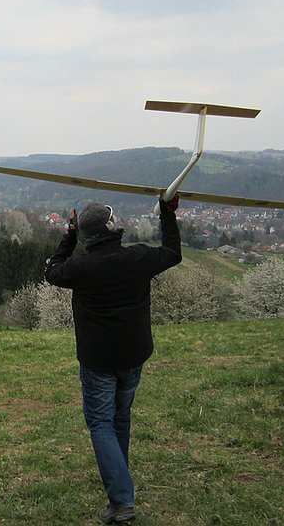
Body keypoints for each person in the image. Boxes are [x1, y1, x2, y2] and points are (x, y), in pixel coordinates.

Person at [45, 196, 181, 524]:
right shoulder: (137, 258)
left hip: (98, 361)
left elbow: (50, 270)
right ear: (113, 228)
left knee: (100, 423)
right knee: (120, 417)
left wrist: (70, 234)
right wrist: (167, 213)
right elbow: (173, 252)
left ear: (88, 235)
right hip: (134, 355)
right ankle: (120, 482)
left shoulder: (79, 268)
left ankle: (121, 502)